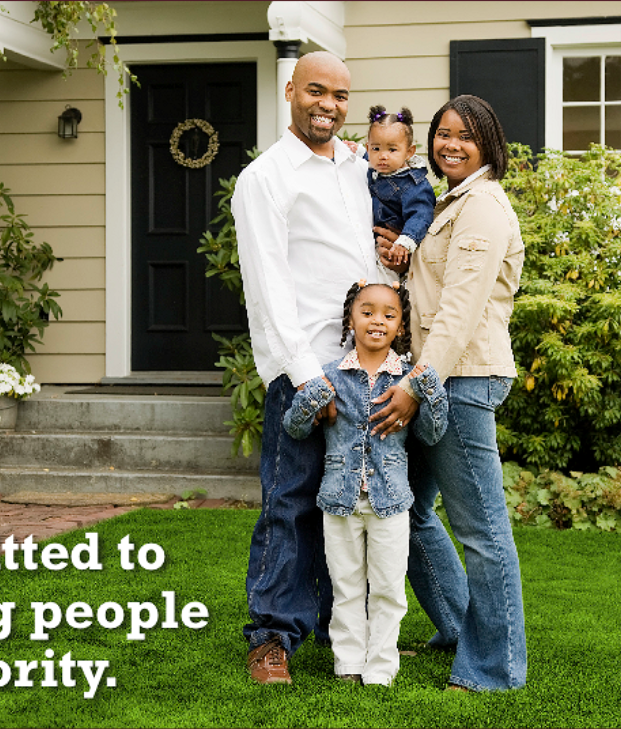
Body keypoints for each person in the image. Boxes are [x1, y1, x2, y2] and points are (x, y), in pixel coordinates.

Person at [231, 51, 393, 685]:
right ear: (291, 90)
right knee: (291, 501)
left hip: (365, 364)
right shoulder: (266, 178)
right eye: (317, 91)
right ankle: (272, 637)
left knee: (352, 502)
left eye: (341, 96)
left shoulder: (357, 166)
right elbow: (268, 288)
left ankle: (337, 627)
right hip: (305, 368)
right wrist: (305, 376)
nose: (329, 104)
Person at [370, 94, 527, 692]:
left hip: (458, 380)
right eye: (442, 134)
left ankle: (494, 666)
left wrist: (417, 382)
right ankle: (459, 629)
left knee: (482, 531)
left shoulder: (483, 206)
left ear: (488, 142)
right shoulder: (449, 205)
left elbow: (460, 311)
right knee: (404, 508)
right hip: (438, 374)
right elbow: (435, 289)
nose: (450, 144)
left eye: (465, 134)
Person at [283, 280, 447, 686]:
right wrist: (311, 396)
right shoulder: (328, 375)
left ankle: (380, 669)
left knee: (389, 589)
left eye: (389, 315)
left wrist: (429, 389)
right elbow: (295, 427)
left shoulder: (409, 381)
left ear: (401, 328)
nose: (378, 321)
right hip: (339, 501)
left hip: (390, 502)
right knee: (347, 587)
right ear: (351, 319)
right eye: (368, 312)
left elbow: (431, 434)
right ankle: (348, 665)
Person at [366, 105, 436, 267]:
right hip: (372, 246)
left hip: (396, 248)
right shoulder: (375, 169)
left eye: (392, 149)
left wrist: (405, 242)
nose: (383, 156)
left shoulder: (413, 184)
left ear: (409, 152)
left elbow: (421, 215)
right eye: (376, 148)